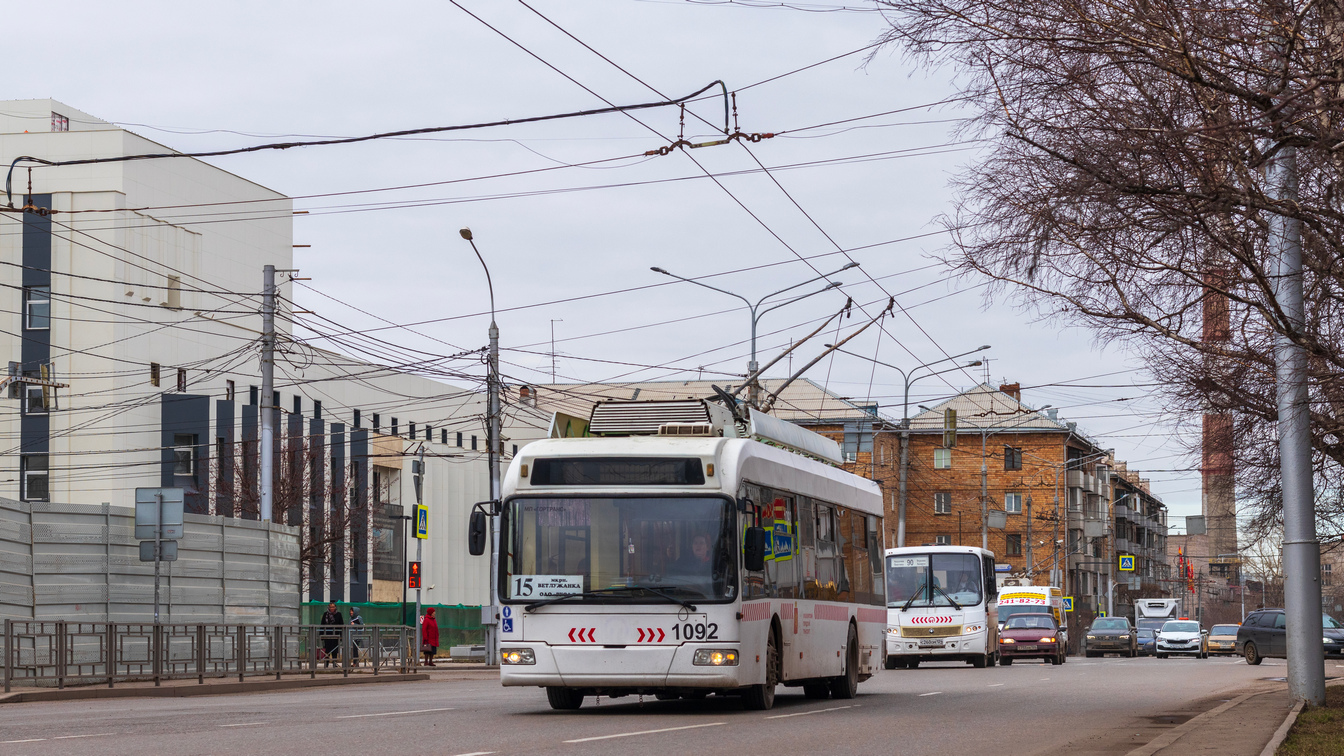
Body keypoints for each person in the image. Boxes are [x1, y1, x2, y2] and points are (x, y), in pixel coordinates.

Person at [320, 601, 344, 668]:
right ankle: (326, 663)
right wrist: (321, 634)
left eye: (333, 607)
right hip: (327, 635)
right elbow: (322, 624)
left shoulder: (338, 614)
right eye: (330, 607)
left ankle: (334, 663)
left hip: (335, 635)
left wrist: (341, 635)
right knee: (327, 650)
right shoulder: (325, 614)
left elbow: (341, 625)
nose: (332, 608)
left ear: (335, 607)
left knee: (335, 650)